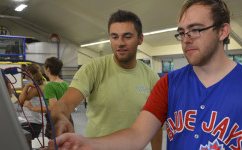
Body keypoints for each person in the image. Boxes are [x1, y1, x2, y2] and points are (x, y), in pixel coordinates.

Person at [47, 0, 242, 149]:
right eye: (182, 32)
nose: (186, 38)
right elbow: (137, 135)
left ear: (222, 31)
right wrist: (83, 142)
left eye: (196, 30)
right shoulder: (168, 84)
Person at [50, 10, 162, 149]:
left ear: (140, 39)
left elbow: (155, 125)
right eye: (114, 37)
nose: (120, 43)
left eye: (127, 37)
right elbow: (64, 104)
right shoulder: (93, 69)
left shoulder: (151, 77)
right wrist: (61, 119)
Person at [24, 57, 73, 139]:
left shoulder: (49, 86)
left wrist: (32, 107)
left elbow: (52, 107)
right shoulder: (65, 84)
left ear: (48, 69)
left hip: (56, 122)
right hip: (67, 119)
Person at [18, 63, 46, 139]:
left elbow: (21, 101)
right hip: (33, 120)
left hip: (32, 121)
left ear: (29, 72)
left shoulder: (34, 88)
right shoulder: (38, 85)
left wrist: (26, 86)